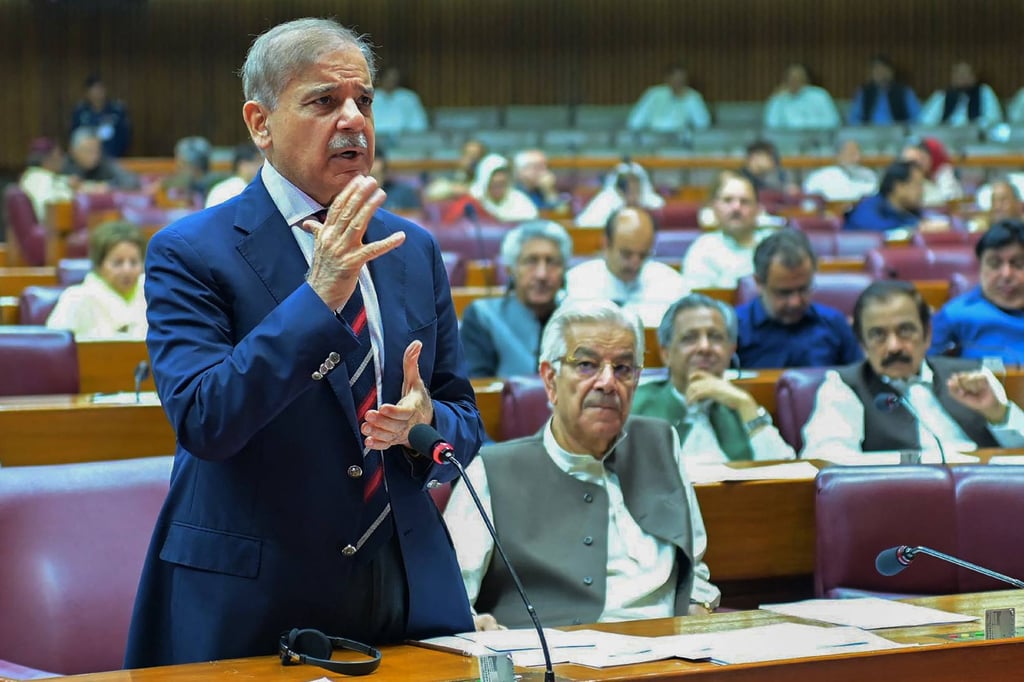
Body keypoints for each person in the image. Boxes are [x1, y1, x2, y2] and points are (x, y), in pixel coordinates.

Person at [124, 18, 484, 668]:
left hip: (401, 585)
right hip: (257, 597)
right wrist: (319, 298)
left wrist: (423, 425)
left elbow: (461, 411)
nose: (353, 119)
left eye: (364, 101)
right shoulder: (190, 253)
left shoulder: (414, 250)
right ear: (260, 124)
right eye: (324, 101)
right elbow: (205, 420)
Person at [444, 299, 720, 629]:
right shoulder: (489, 472)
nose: (607, 383)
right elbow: (450, 597)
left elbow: (695, 567)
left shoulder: (662, 443)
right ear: (550, 379)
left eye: (623, 369)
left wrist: (699, 609)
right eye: (587, 364)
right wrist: (478, 628)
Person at [801, 280, 1024, 460]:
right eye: (878, 335)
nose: (894, 346)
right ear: (862, 343)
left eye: (905, 330)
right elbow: (825, 457)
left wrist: (999, 414)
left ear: (927, 335)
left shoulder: (973, 375)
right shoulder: (843, 386)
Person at [633, 294, 795, 466]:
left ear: (731, 349)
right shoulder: (635, 406)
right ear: (666, 353)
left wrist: (746, 405)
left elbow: (786, 473)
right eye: (689, 338)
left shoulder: (741, 406)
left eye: (715, 337)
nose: (705, 347)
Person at [735, 230, 862, 368]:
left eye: (803, 289)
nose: (795, 302)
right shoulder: (735, 329)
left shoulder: (834, 324)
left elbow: (860, 382)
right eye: (784, 293)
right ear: (759, 282)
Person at [460, 220, 570, 378]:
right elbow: (478, 388)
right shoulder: (483, 316)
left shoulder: (574, 319)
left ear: (564, 270)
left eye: (552, 262)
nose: (542, 274)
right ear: (511, 269)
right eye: (531, 261)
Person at [565, 207, 688, 326]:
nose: (635, 263)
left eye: (643, 255)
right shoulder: (576, 283)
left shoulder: (673, 285)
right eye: (626, 254)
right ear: (606, 244)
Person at [929, 220, 1024, 365]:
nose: (1006, 274)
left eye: (1018, 264)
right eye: (994, 264)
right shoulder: (954, 315)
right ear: (980, 268)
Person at [46, 221, 147, 340]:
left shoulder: (155, 293)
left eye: (134, 262)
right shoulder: (75, 298)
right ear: (99, 265)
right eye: (117, 263)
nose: (127, 270)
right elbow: (54, 347)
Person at [682, 171, 774, 290]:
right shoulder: (703, 249)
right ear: (715, 207)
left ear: (757, 209)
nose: (736, 208)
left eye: (744, 201)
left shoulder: (773, 245)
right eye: (728, 200)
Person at [442, 153, 538, 224]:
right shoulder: (470, 203)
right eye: (494, 178)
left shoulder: (519, 200)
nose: (499, 179)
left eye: (502, 182)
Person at [574, 160, 665, 228]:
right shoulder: (605, 202)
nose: (632, 190)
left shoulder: (651, 205)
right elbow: (586, 226)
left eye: (635, 185)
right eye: (628, 186)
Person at [843, 160, 928, 232]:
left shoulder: (911, 211)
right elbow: (879, 231)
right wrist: (917, 227)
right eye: (918, 185)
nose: (922, 191)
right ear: (899, 187)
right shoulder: (869, 207)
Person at [626, 63, 711, 133]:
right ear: (667, 79)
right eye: (675, 79)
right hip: (653, 137)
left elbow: (703, 124)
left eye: (681, 79)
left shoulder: (693, 97)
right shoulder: (654, 94)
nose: (678, 83)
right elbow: (635, 121)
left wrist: (689, 100)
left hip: (682, 140)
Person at [920, 61, 1003, 128]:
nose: (962, 78)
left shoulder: (984, 92)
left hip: (975, 135)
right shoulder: (943, 94)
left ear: (973, 77)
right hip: (948, 135)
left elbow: (994, 119)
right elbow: (926, 120)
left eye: (965, 74)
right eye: (959, 74)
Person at [69, 74, 132, 158]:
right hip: (87, 160)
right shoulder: (80, 112)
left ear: (105, 90)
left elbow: (125, 137)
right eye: (93, 89)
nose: (97, 93)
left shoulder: (117, 110)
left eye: (100, 88)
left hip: (113, 159)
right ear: (87, 92)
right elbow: (74, 136)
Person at [847, 55, 921, 126]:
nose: (881, 73)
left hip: (896, 132)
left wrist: (904, 127)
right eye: (877, 70)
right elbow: (853, 118)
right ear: (872, 74)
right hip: (869, 133)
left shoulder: (904, 91)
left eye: (884, 69)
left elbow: (917, 117)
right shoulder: (863, 92)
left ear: (891, 72)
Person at [763, 63, 841, 130]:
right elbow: (770, 124)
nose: (794, 81)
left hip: (817, 139)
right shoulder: (779, 98)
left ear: (805, 80)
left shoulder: (820, 95)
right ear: (786, 80)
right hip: (786, 140)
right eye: (791, 78)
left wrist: (806, 126)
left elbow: (833, 121)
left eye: (798, 78)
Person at [63, 126, 139, 191]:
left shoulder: (104, 163)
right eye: (88, 151)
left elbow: (131, 181)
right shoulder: (63, 165)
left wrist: (109, 187)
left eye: (97, 151)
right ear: (73, 151)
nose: (94, 156)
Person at [802, 139, 878, 203]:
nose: (856, 158)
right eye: (851, 153)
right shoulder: (820, 177)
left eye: (858, 153)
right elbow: (808, 205)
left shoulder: (869, 174)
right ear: (838, 155)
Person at [18, 137, 74, 220]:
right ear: (48, 159)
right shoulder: (40, 180)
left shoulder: (33, 176)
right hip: (55, 228)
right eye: (59, 155)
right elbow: (45, 210)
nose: (62, 160)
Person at [899, 137, 963, 207]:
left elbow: (950, 200)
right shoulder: (903, 179)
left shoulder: (944, 174)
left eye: (922, 158)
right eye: (908, 162)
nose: (917, 164)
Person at [371, 66, 428, 139]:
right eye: (388, 78)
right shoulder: (371, 96)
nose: (391, 81)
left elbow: (419, 123)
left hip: (404, 140)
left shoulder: (409, 97)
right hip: (375, 140)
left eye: (394, 79)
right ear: (381, 79)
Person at [423, 138, 487, 202]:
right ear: (461, 156)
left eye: (475, 155)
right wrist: (452, 189)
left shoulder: (487, 175)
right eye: (468, 154)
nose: (472, 158)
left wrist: (467, 190)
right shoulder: (452, 173)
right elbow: (431, 193)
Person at [205, 141, 263, 208]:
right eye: (258, 161)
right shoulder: (224, 191)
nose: (262, 165)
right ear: (243, 165)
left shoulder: (256, 187)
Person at [370, 147, 423, 212]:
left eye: (375, 176)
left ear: (385, 173)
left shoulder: (404, 193)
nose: (371, 181)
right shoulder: (355, 196)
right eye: (367, 176)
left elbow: (416, 218)